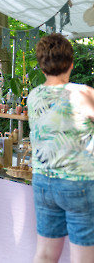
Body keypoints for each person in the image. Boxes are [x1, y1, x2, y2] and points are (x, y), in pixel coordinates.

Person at [27, 33, 94, 263]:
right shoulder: (83, 93)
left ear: (41, 65)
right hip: (79, 182)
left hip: (43, 181)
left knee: (45, 254)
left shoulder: (33, 96)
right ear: (71, 63)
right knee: (83, 256)